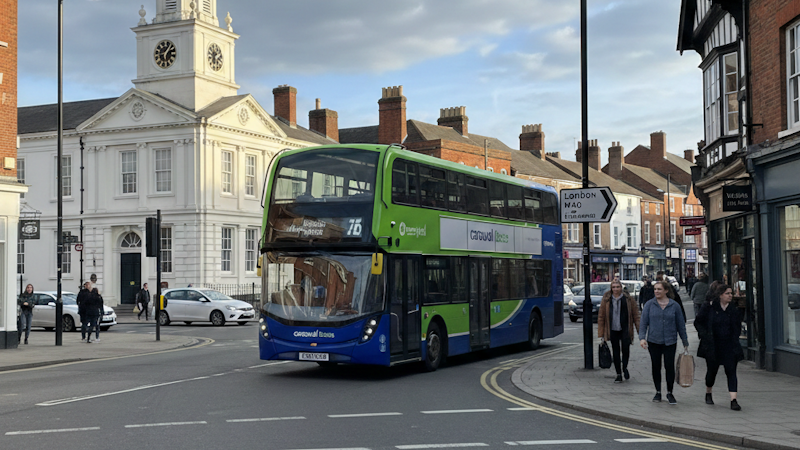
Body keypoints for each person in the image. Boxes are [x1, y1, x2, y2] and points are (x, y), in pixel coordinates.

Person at [639, 280, 689, 405]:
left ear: (666, 290)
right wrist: (642, 338)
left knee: (669, 366)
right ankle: (658, 391)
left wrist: (685, 341)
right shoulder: (649, 305)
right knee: (656, 366)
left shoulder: (674, 306)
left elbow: (681, 325)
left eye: (659, 289)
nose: (656, 291)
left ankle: (670, 392)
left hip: (670, 341)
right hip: (654, 341)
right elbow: (643, 323)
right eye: (655, 289)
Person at [696, 284, 744, 411]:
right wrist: (705, 336)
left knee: (731, 371)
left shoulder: (733, 309)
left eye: (731, 293)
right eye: (727, 293)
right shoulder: (709, 307)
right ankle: (708, 392)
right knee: (712, 371)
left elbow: (737, 326)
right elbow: (698, 322)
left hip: (729, 345)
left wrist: (735, 338)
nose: (730, 296)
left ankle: (733, 400)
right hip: (713, 345)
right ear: (720, 295)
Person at [598, 280, 641, 383]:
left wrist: (640, 331)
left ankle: (624, 367)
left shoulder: (628, 299)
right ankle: (618, 373)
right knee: (615, 352)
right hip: (612, 329)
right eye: (614, 287)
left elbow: (636, 315)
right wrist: (601, 333)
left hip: (625, 328)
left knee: (625, 350)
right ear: (611, 288)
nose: (616, 289)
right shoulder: (607, 299)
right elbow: (601, 316)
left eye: (618, 287)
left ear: (621, 288)